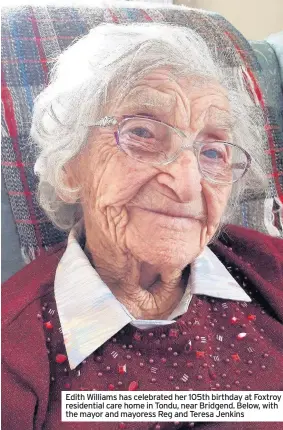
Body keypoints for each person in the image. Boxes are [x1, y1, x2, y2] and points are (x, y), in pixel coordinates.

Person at [2, 19, 283, 430]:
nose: (187, 185)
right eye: (142, 132)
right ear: (68, 168)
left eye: (212, 153)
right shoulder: (14, 351)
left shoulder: (268, 268)